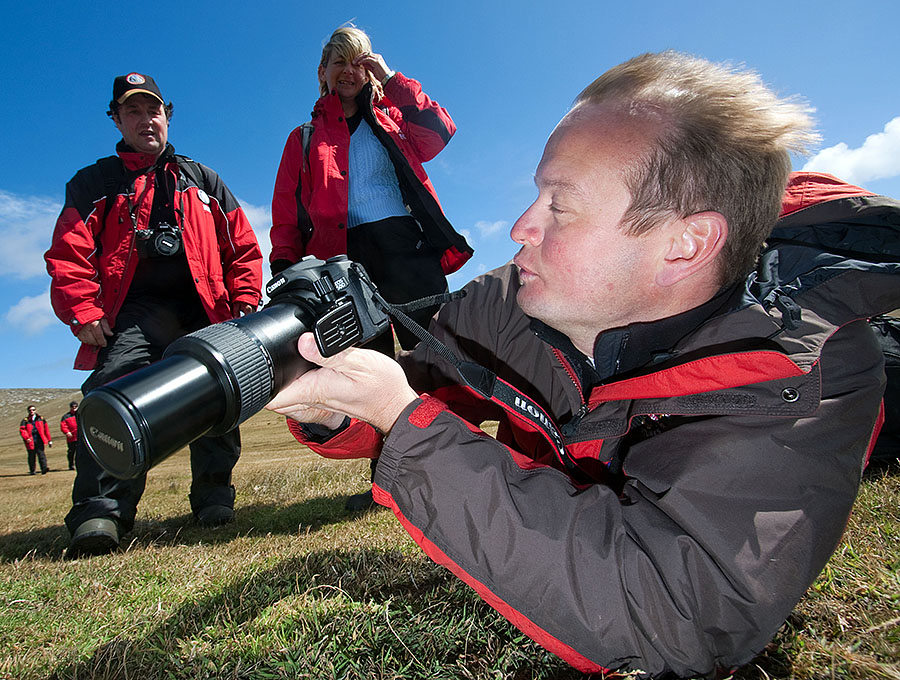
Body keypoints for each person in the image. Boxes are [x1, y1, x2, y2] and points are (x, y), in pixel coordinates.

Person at [266, 51, 900, 678]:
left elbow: (678, 618)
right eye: (535, 196)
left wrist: (398, 413)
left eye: (559, 206)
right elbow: (417, 386)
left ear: (685, 244)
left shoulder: (807, 370)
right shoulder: (508, 298)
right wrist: (334, 412)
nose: (519, 228)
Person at [45, 72, 263, 557]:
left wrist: (245, 304)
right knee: (112, 395)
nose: (146, 120)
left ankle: (213, 498)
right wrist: (83, 309)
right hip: (132, 317)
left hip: (206, 311)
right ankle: (101, 512)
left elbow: (244, 248)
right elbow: (68, 252)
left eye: (153, 110)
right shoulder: (94, 183)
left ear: (168, 115)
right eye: (133, 112)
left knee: (220, 396)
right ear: (117, 119)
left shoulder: (204, 180)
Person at [270, 25, 472, 510]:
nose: (348, 71)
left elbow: (439, 132)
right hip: (344, 261)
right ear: (322, 73)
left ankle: (460, 465)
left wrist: (393, 78)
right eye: (338, 62)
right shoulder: (304, 138)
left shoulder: (394, 118)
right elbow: (285, 209)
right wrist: (284, 268)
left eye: (357, 60)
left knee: (436, 354)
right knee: (370, 366)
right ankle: (391, 480)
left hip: (406, 245)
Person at [20, 405, 52, 475]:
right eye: (30, 410)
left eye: (33, 410)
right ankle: (32, 470)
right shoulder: (25, 420)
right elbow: (22, 430)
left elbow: (46, 430)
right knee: (32, 456)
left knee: (41, 454)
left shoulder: (41, 419)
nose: (32, 411)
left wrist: (49, 440)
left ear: (35, 410)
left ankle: (44, 468)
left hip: (39, 439)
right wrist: (26, 438)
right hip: (30, 441)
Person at [60, 401, 79, 470]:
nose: (74, 408)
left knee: (80, 452)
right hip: (71, 438)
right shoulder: (66, 416)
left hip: (80, 437)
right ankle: (71, 465)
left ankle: (79, 465)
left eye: (75, 407)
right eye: (72, 407)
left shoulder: (80, 414)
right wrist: (67, 432)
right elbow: (63, 426)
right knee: (71, 452)